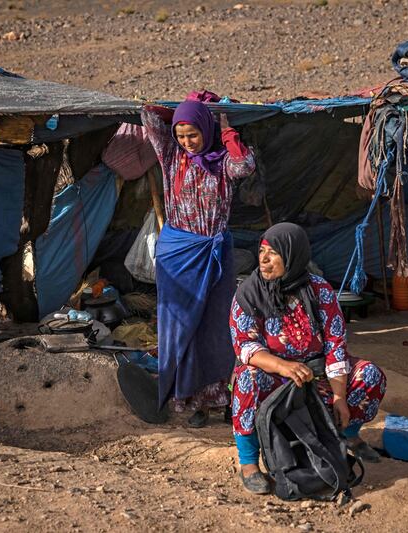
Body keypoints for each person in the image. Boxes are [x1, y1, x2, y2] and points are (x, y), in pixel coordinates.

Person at [229, 222, 386, 494]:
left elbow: (336, 343)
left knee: (370, 375)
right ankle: (248, 463)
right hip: (275, 379)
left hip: (317, 376)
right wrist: (283, 366)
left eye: (273, 253)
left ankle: (347, 435)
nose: (263, 260)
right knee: (247, 378)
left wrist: (339, 396)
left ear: (293, 256)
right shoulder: (248, 294)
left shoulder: (319, 290)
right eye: (262, 251)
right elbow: (245, 346)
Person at [142, 99, 256, 427]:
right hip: (177, 256)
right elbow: (148, 116)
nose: (187, 142)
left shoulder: (223, 163)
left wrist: (225, 128)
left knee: (215, 329)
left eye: (193, 134)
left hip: (215, 253)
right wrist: (184, 107)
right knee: (181, 329)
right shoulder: (171, 156)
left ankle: (220, 400)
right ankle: (192, 401)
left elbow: (245, 164)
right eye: (181, 135)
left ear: (205, 130)